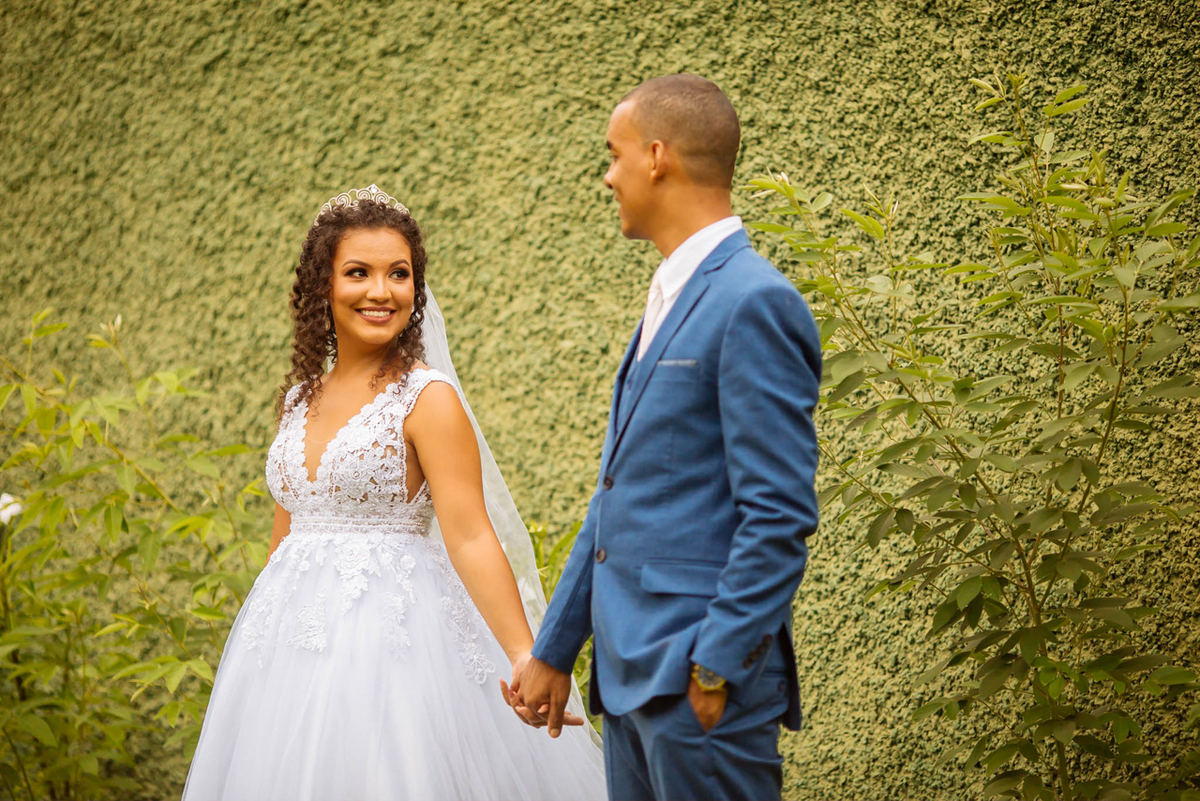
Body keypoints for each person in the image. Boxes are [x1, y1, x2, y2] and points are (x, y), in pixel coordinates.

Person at [182, 185, 605, 801]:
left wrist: (523, 653)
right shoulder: (300, 400)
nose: (381, 292)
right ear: (322, 286)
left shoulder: (426, 398)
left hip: (395, 645)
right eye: (359, 272)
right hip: (286, 649)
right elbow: (289, 533)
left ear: (417, 288)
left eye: (398, 274)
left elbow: (469, 533)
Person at [506, 75, 821, 801]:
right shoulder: (668, 297)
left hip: (697, 690)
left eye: (613, 156)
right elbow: (618, 498)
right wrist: (556, 649)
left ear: (656, 157)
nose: (607, 176)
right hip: (627, 685)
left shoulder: (753, 301)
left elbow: (779, 513)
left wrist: (713, 667)